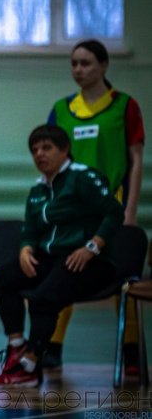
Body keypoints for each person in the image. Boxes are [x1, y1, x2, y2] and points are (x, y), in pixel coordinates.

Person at [0, 124, 123, 387]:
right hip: (50, 259)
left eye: (46, 148)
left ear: (65, 150)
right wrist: (25, 249)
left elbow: (114, 213)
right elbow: (30, 230)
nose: (39, 154)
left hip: (90, 260)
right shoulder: (37, 191)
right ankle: (16, 346)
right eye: (34, 150)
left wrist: (92, 247)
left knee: (43, 298)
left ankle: (30, 364)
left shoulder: (83, 177)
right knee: (2, 278)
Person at [44, 38, 145, 372]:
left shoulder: (125, 106)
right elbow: (49, 161)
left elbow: (135, 160)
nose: (78, 70)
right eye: (74, 63)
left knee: (122, 278)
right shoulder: (61, 109)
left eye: (86, 63)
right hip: (71, 211)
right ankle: (52, 345)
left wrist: (130, 210)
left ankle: (131, 348)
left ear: (104, 66)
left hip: (111, 208)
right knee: (64, 271)